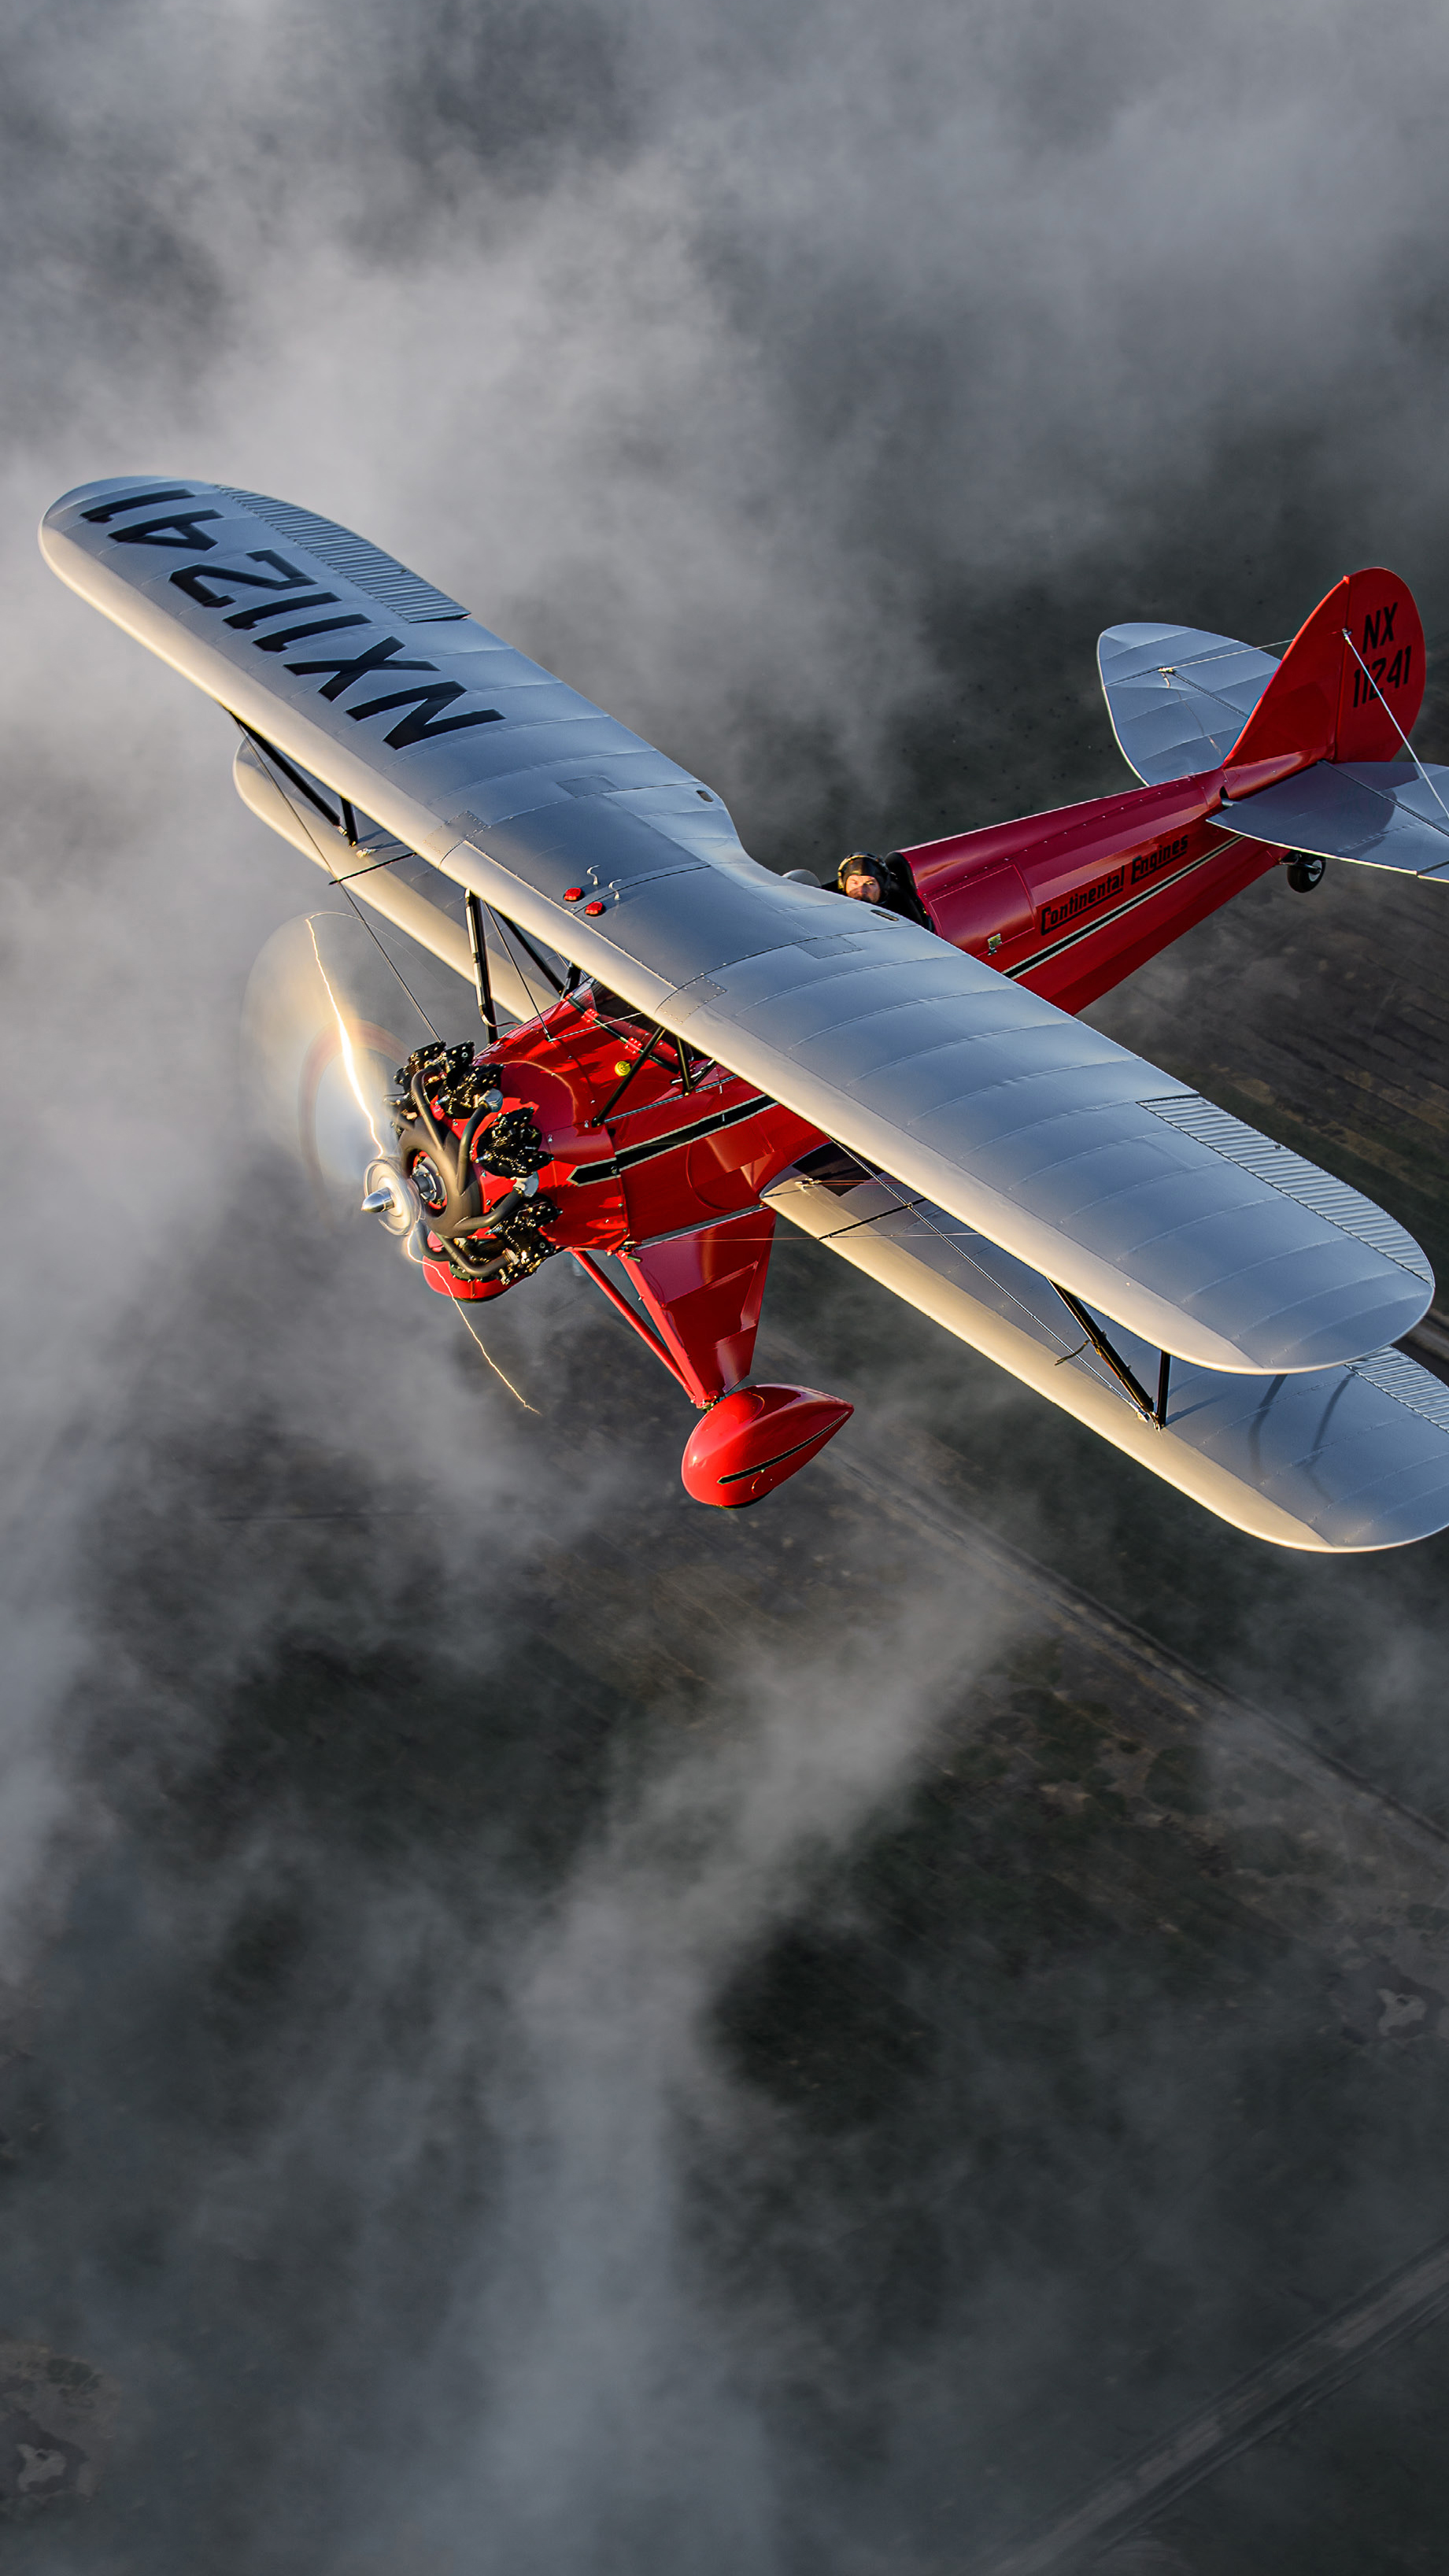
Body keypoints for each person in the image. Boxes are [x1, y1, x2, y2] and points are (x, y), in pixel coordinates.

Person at [835, 849, 934, 930]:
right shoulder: (830, 910)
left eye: (870, 884)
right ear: (843, 885)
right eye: (854, 883)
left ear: (883, 888)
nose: (861, 891)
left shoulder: (903, 918)